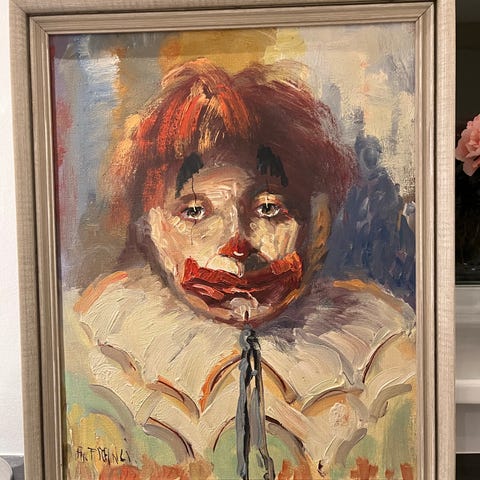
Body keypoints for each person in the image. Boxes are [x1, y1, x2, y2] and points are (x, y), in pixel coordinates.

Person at [64, 58, 416, 480]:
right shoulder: (91, 345)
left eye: (268, 208)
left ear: (318, 221)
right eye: (194, 212)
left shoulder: (387, 351)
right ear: (150, 228)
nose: (237, 246)